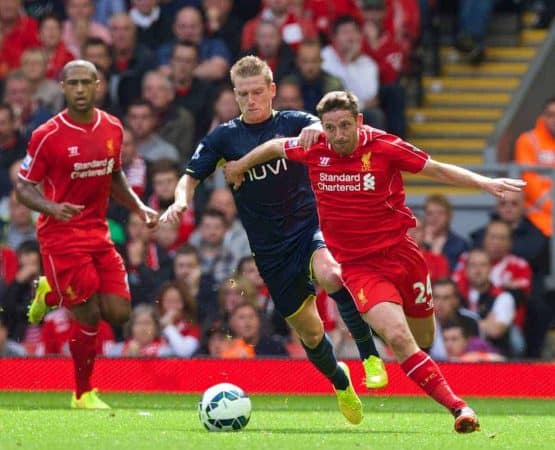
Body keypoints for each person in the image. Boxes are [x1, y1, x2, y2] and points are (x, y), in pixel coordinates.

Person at [224, 90, 526, 433]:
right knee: (399, 337)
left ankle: (396, 347)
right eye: (331, 127)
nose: (338, 135)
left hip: (402, 256)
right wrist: (240, 165)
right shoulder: (314, 146)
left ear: (359, 122)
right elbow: (276, 147)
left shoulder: (384, 146)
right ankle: (460, 409)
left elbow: (437, 170)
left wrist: (484, 182)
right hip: (358, 266)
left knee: (424, 337)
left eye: (345, 126)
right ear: (322, 127)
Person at [161, 56, 388, 426]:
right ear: (235, 95)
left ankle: (370, 357)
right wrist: (181, 201)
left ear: (272, 91)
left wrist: (317, 130)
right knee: (311, 334)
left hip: (307, 228)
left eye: (257, 92)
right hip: (269, 252)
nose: (251, 100)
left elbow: (320, 126)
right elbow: (190, 175)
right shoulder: (224, 136)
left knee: (333, 274)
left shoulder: (295, 121)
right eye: (243, 94)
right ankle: (341, 383)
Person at [15, 60, 158, 409]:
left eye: (86, 82)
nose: (80, 89)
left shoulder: (112, 127)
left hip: (98, 232)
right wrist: (51, 208)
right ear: (63, 87)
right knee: (89, 314)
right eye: (73, 83)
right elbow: (23, 187)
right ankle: (83, 393)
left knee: (120, 313)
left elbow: (114, 177)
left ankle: (52, 293)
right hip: (61, 237)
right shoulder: (46, 134)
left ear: (98, 85)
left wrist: (139, 207)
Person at [514, 96, 555, 238]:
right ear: (543, 116)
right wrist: (551, 207)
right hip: (535, 219)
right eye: (550, 115)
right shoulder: (528, 140)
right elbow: (529, 181)